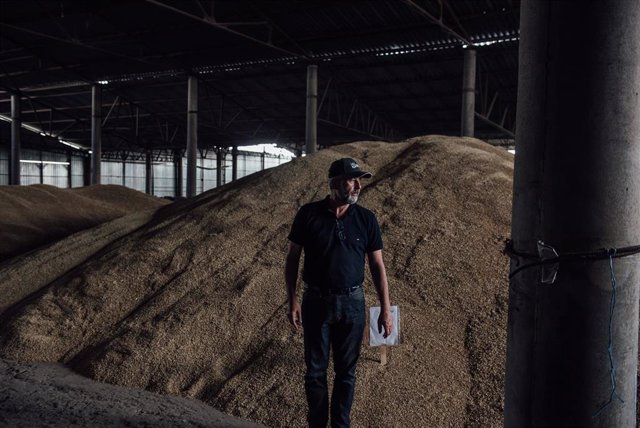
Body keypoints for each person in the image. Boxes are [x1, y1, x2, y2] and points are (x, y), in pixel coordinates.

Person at [285, 157, 393, 428]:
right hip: (315, 301)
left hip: (353, 303)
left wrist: (385, 310)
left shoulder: (367, 219)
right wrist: (293, 298)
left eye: (359, 180)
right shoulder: (308, 214)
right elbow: (292, 259)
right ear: (334, 184)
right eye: (351, 180)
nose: (357, 185)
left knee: (347, 374)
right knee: (315, 373)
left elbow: (377, 265)